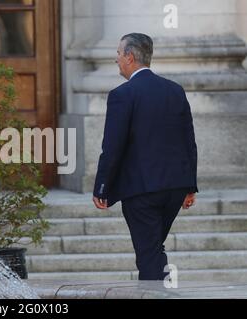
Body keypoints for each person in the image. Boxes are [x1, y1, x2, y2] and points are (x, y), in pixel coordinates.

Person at [92, 33, 198, 281]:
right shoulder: (175, 90)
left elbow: (112, 147)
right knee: (153, 249)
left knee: (149, 254)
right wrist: (189, 186)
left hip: (141, 191)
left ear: (130, 56)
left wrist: (102, 187)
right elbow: (188, 142)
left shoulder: (122, 95)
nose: (116, 59)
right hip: (174, 187)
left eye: (118, 54)